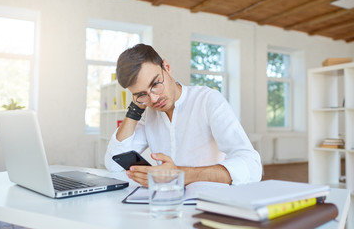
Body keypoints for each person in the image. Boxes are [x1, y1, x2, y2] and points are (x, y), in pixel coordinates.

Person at [105, 43, 262, 187]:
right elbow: (113, 164)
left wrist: (181, 175)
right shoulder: (149, 114)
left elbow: (252, 166)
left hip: (209, 202)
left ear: (166, 67)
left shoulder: (208, 100)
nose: (154, 98)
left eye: (155, 84)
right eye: (141, 94)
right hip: (167, 202)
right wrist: (136, 109)